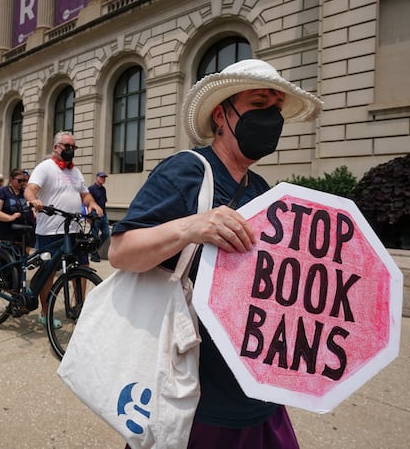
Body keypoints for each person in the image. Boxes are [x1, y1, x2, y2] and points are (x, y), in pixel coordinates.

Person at [108, 59, 323, 447]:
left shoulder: (261, 190)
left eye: (275, 109)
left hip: (258, 392)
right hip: (195, 396)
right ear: (221, 114)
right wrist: (191, 227)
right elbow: (121, 251)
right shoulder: (185, 171)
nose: (270, 118)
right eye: (259, 104)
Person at [25, 131, 103, 327]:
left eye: (73, 147)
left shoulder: (75, 172)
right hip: (50, 231)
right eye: (67, 146)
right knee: (48, 273)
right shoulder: (45, 168)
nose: (70, 150)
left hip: (74, 229)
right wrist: (33, 199)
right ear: (56, 147)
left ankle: (80, 307)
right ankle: (45, 313)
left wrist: (92, 204)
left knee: (82, 267)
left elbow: (85, 195)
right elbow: (30, 188)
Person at [0, 168, 35, 248]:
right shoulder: (2, 192)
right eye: (19, 180)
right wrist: (10, 217)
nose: (22, 183)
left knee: (25, 255)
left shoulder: (25, 192)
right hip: (8, 230)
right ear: (11, 179)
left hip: (25, 229)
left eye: (24, 180)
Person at [87, 171, 110, 262]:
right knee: (94, 234)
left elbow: (104, 201)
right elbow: (87, 203)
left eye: (104, 177)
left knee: (106, 233)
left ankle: (94, 249)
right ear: (96, 178)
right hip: (94, 214)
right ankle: (94, 253)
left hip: (103, 214)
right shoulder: (91, 189)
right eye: (101, 177)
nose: (103, 179)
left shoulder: (103, 189)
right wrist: (89, 216)